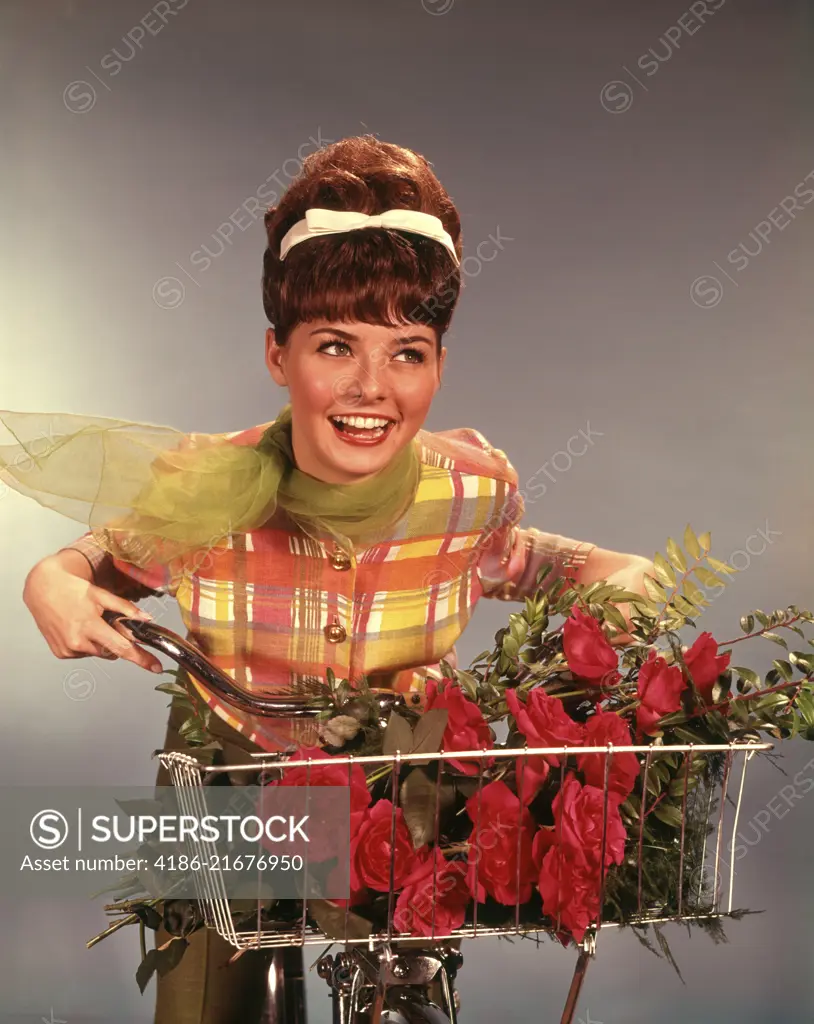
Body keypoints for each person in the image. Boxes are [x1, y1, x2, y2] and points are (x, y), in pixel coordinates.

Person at [10, 136, 655, 1023]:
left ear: (438, 363)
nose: (371, 388)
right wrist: (51, 578)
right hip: (230, 781)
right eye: (334, 345)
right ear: (279, 355)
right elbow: (100, 559)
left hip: (401, 788)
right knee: (219, 1004)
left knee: (408, 997)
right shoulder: (210, 489)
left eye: (407, 352)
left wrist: (617, 574)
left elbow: (527, 559)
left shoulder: (471, 494)